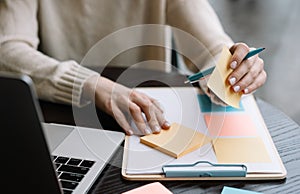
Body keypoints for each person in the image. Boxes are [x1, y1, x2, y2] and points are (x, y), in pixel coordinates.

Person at [0, 0, 266, 135]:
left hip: (150, 117)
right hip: (60, 114)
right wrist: (92, 85)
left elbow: (209, 44)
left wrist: (231, 66)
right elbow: (7, 50)